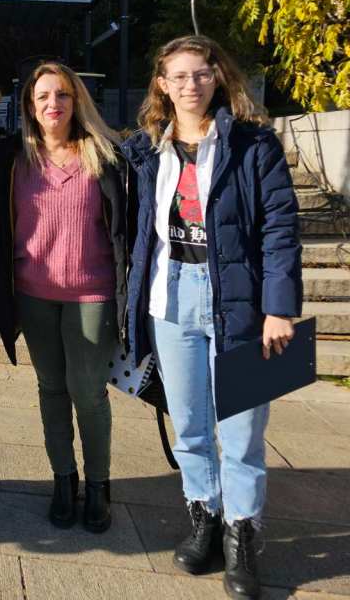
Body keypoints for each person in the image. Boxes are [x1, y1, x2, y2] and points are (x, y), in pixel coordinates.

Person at [123, 35, 301, 599]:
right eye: (178, 76)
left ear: (217, 77)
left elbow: (280, 228)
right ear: (162, 84)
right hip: (170, 296)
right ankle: (204, 517)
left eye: (200, 73)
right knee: (191, 425)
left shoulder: (253, 143)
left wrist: (280, 308)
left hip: (241, 301)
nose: (190, 85)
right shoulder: (148, 148)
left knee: (242, 432)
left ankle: (242, 536)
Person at [0, 62, 129, 533]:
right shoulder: (14, 159)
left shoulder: (104, 155)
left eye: (63, 94)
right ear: (30, 106)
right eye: (44, 96)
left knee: (87, 392)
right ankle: (63, 480)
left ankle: (99, 485)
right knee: (51, 389)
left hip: (92, 294)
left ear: (77, 101)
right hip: (34, 295)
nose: (54, 103)